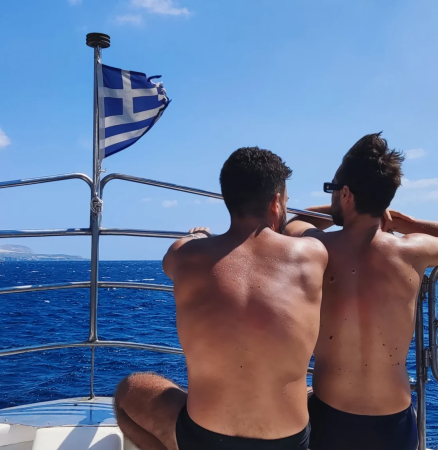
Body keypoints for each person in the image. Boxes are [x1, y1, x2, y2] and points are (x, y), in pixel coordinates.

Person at [113, 147, 327, 450]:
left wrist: (200, 237)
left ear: (228, 198)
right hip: (288, 441)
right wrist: (334, 210)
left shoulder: (184, 256)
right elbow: (304, 226)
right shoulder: (312, 254)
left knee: (129, 390)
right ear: (276, 202)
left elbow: (176, 255)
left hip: (204, 438)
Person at [285, 133, 438, 450]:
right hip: (394, 424)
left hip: (332, 418)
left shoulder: (318, 247)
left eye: (334, 189)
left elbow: (292, 223)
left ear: (345, 193)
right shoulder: (411, 250)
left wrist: (339, 205)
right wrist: (403, 221)